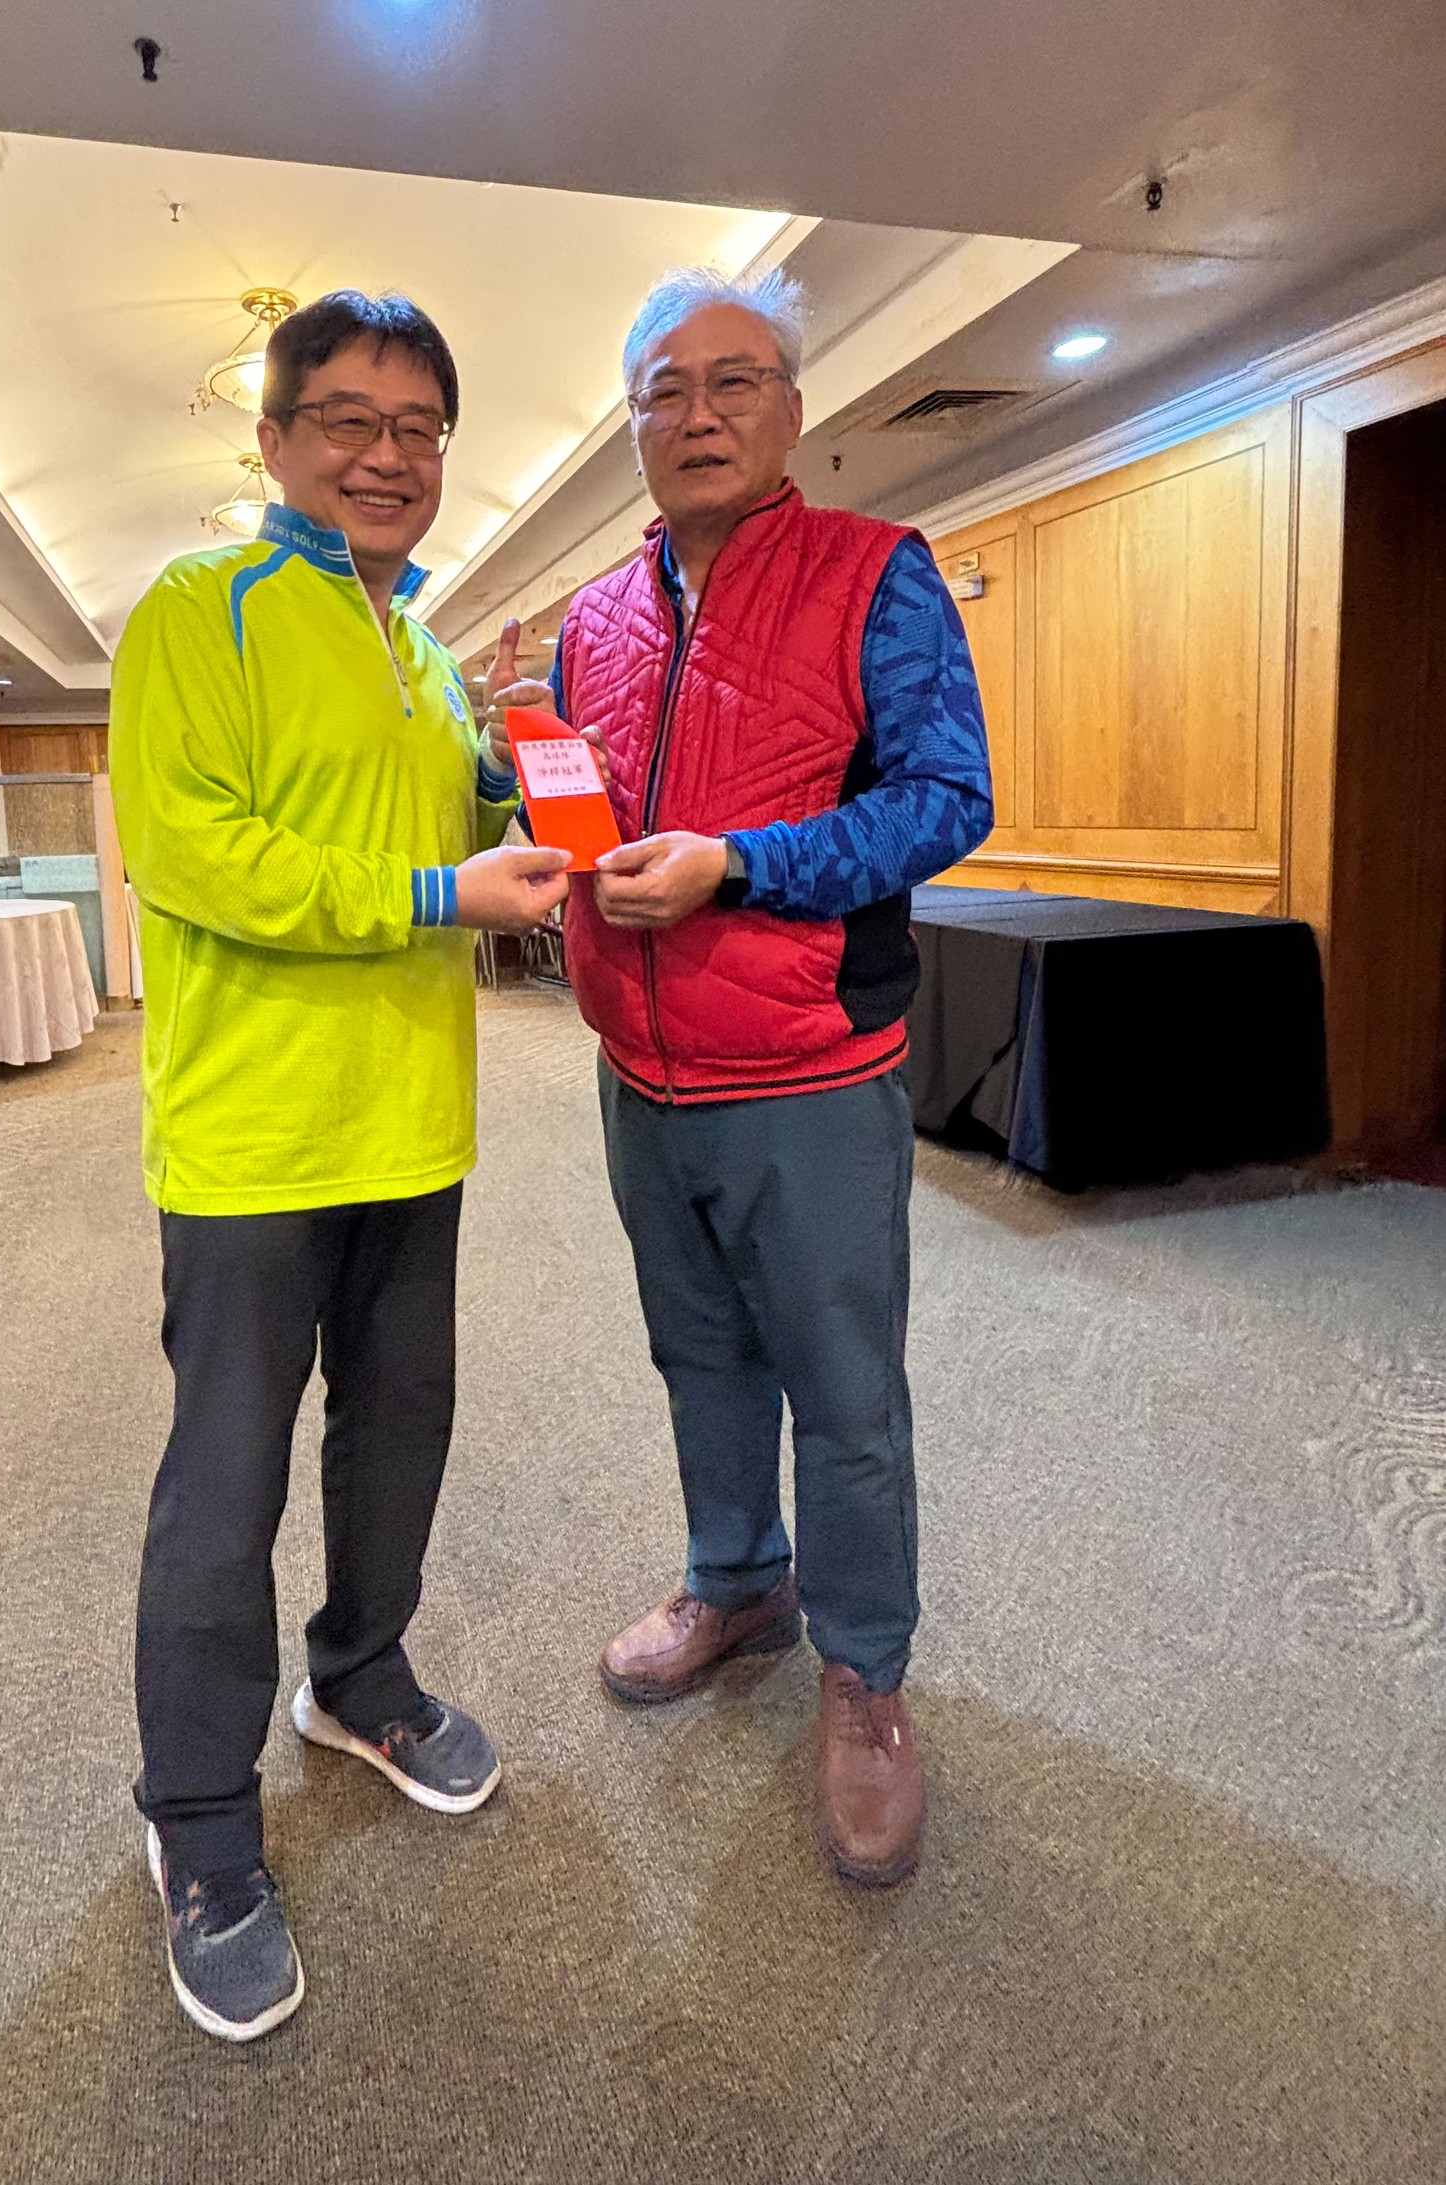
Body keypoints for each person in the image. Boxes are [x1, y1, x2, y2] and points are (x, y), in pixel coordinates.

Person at [490, 266, 992, 1889]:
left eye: (732, 382)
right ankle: (736, 1581)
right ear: (630, 422)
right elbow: (581, 816)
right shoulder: (592, 619)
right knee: (698, 1355)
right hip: (638, 1069)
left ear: (790, 408)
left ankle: (864, 1673)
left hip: (805, 1068)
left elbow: (946, 799)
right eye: (664, 389)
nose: (696, 414)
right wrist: (536, 810)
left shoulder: (875, 573)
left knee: (843, 1393)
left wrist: (739, 862)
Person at [110, 290, 570, 2042]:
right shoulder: (198, 607)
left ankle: (361, 1679)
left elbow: (433, 829)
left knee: (398, 1432)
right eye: (351, 421)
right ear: (275, 438)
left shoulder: (426, 651)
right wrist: (442, 890)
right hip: (251, 1140)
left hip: (411, 1124)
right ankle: (198, 1820)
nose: (390, 456)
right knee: (222, 1484)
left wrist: (500, 785)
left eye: (420, 428)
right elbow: (197, 853)